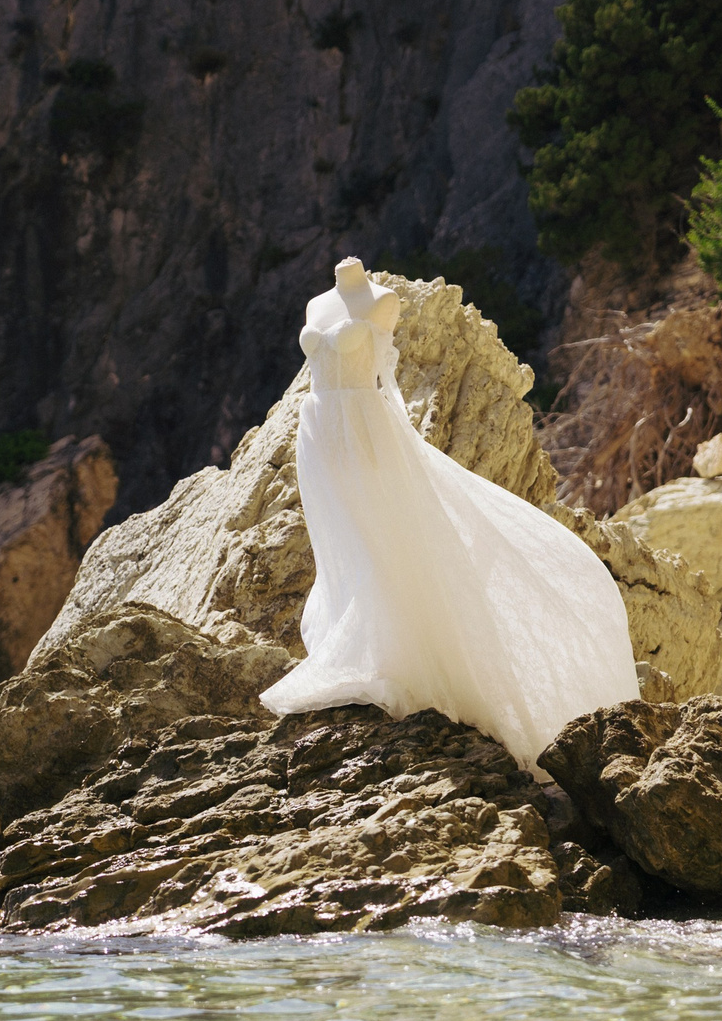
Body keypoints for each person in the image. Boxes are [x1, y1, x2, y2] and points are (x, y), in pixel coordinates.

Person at [260, 259, 640, 768]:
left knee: (383, 544)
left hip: (367, 431)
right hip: (320, 436)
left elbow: (380, 380)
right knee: (341, 547)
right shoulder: (317, 303)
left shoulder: (382, 301)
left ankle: (401, 662)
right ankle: (362, 648)